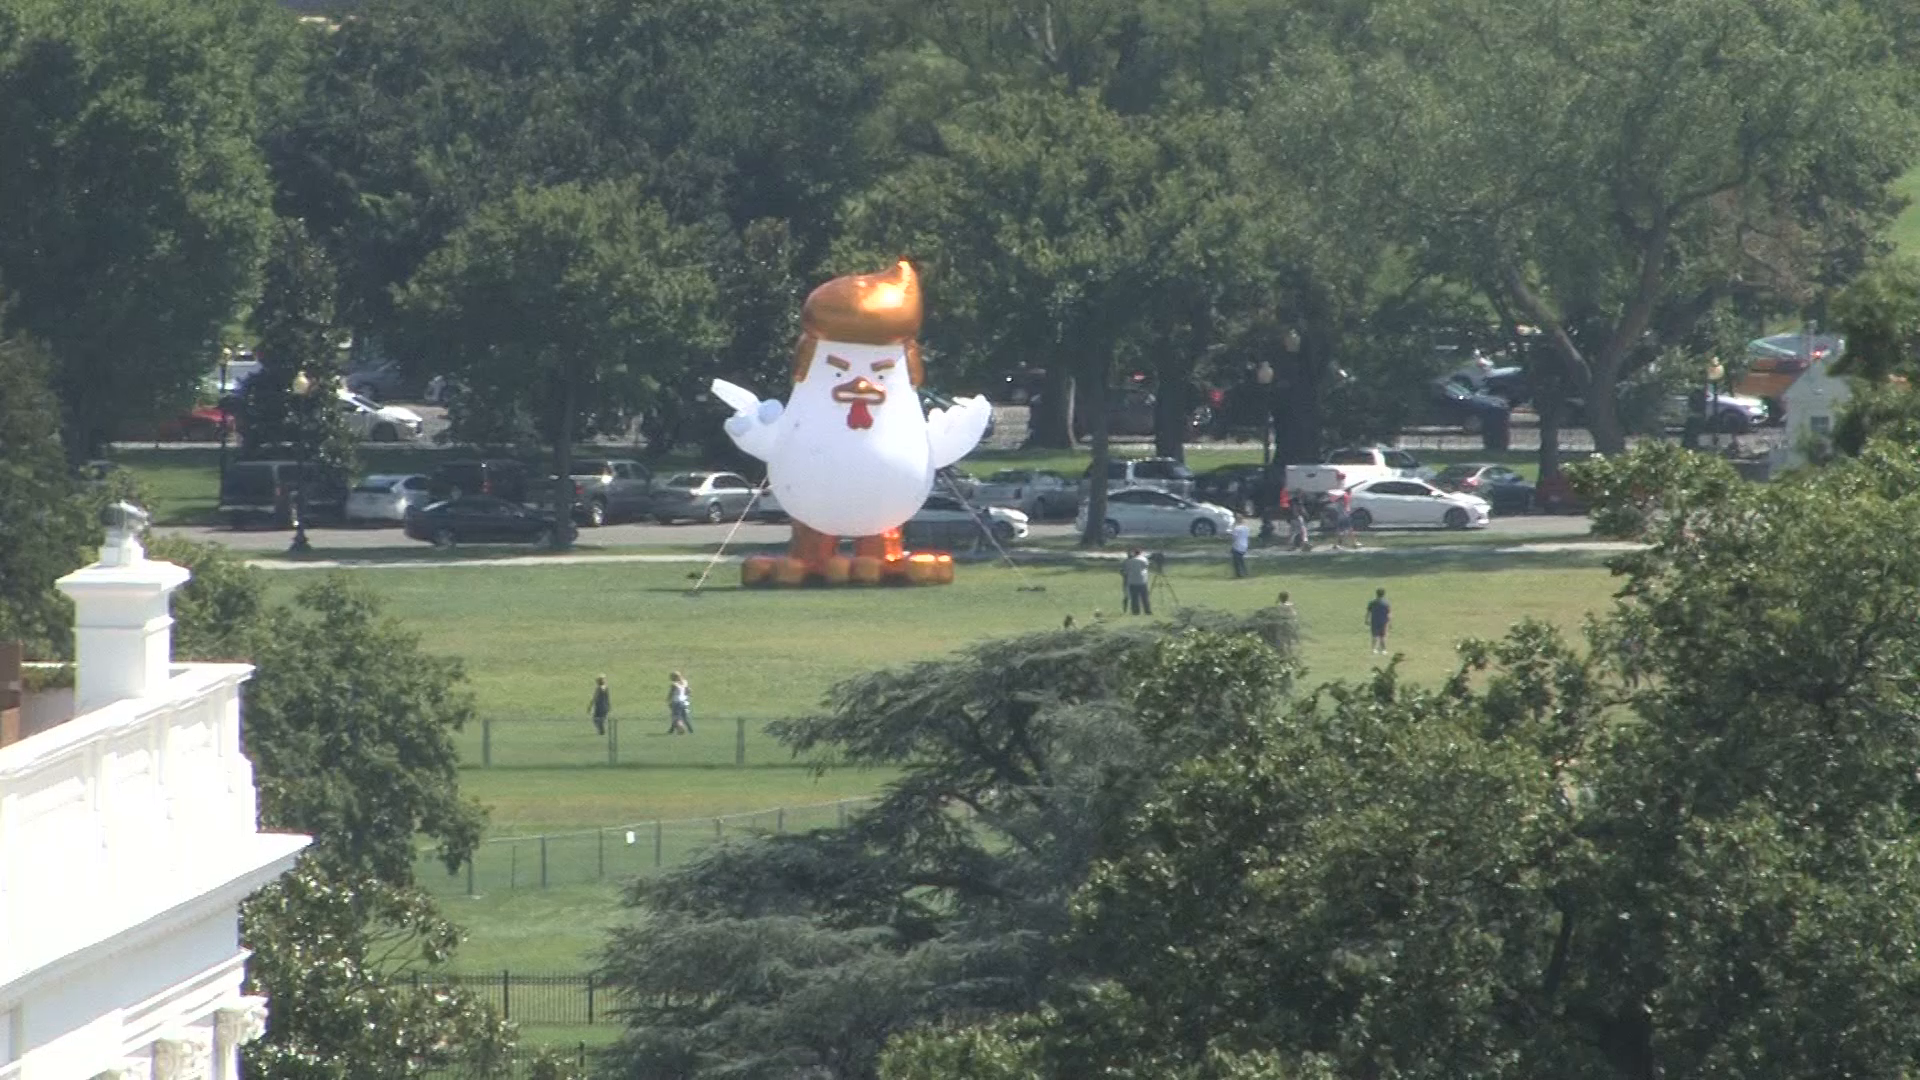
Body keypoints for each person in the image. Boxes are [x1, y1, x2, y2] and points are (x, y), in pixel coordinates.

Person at [1121, 548, 1152, 616]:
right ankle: (1147, 611)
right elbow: (1146, 566)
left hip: (1132, 581)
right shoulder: (1143, 559)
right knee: (1144, 597)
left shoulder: (1128, 561)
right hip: (1142, 581)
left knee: (1134, 598)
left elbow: (1125, 571)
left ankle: (1135, 612)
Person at [1366, 587, 1391, 654]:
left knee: (1374, 636)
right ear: (1383, 594)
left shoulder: (1372, 602)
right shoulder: (1386, 603)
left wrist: (1366, 619)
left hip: (1374, 621)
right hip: (1383, 621)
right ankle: (1383, 650)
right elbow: (1388, 613)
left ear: (1376, 594)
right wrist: (1389, 622)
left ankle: (1374, 649)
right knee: (1383, 636)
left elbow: (1368, 612)